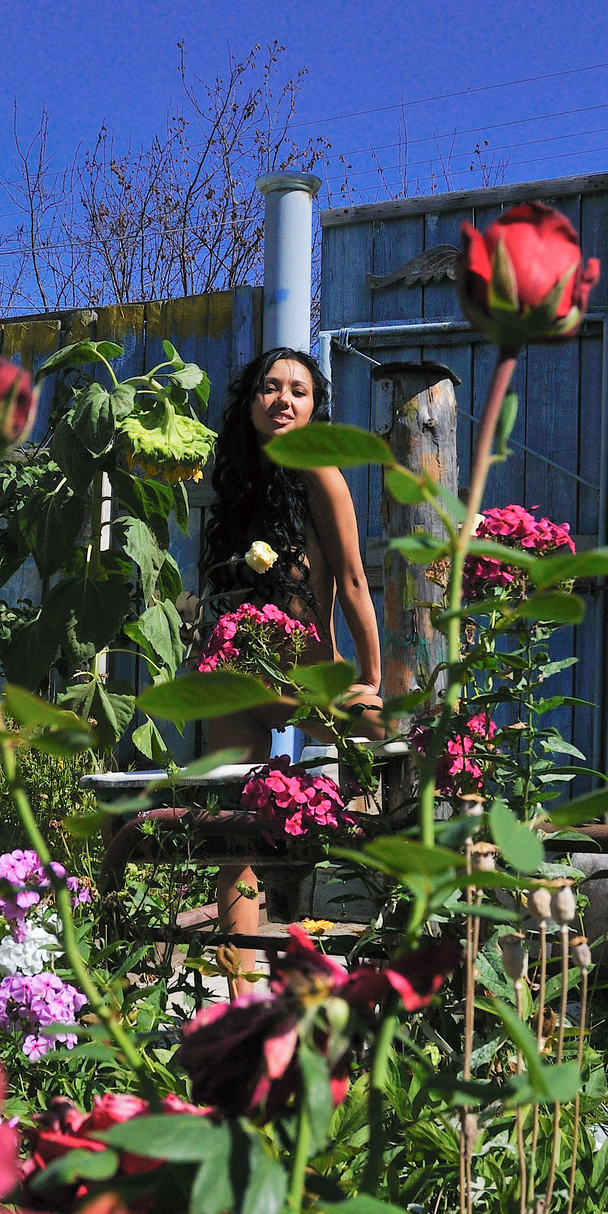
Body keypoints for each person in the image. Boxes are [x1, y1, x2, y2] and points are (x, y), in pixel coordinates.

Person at [197, 346, 383, 965]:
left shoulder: (318, 472)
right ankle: (240, 987)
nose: (284, 400)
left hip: (308, 680)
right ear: (249, 402)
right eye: (271, 387)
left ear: (314, 409)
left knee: (404, 747)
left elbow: (353, 579)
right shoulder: (238, 485)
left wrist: (371, 676)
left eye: (299, 391)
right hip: (239, 683)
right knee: (235, 840)